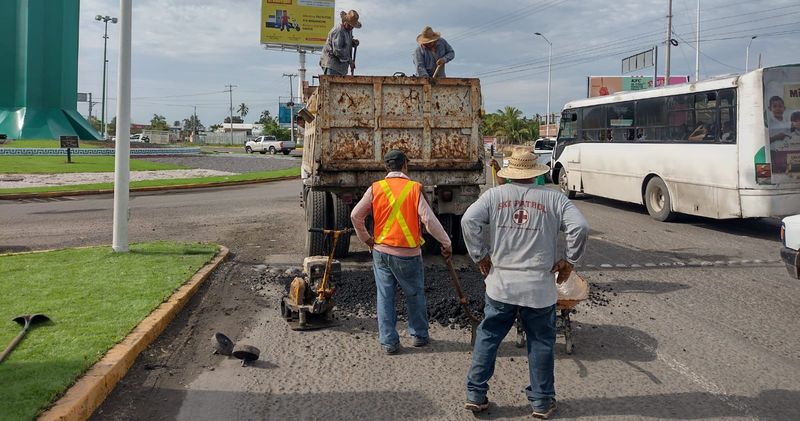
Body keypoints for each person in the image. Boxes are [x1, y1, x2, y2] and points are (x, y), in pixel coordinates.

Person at [461, 148, 588, 419]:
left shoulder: (494, 196)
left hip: (501, 285)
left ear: (510, 173)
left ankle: (475, 395)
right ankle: (541, 403)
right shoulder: (555, 199)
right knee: (541, 342)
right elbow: (580, 227)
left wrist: (479, 255)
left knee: (488, 337)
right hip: (538, 289)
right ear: (535, 173)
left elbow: (468, 220)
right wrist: (569, 260)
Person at [350, 149, 453, 355]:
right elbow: (429, 221)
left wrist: (367, 239)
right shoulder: (414, 189)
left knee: (385, 296)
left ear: (386, 167)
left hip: (381, 252)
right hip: (408, 254)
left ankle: (389, 342)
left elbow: (355, 215)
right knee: (414, 295)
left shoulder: (375, 188)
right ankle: (419, 335)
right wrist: (446, 242)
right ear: (405, 165)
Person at [320, 10, 361, 76]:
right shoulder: (338, 30)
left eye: (352, 26)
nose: (351, 27)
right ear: (345, 21)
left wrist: (352, 42)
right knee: (333, 85)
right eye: (349, 25)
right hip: (332, 66)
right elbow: (338, 51)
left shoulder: (349, 30)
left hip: (341, 68)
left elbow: (345, 41)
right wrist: (350, 61)